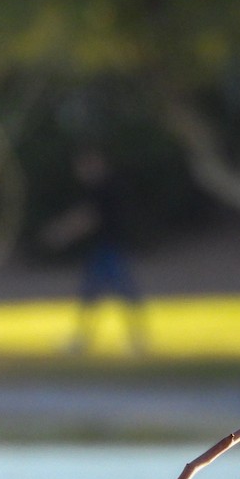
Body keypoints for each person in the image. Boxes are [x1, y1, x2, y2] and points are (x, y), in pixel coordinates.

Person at [45, 148, 145, 355]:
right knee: (97, 294)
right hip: (106, 247)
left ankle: (133, 340)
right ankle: (89, 339)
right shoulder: (105, 187)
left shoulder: (104, 189)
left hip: (108, 248)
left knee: (115, 292)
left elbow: (88, 218)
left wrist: (61, 233)